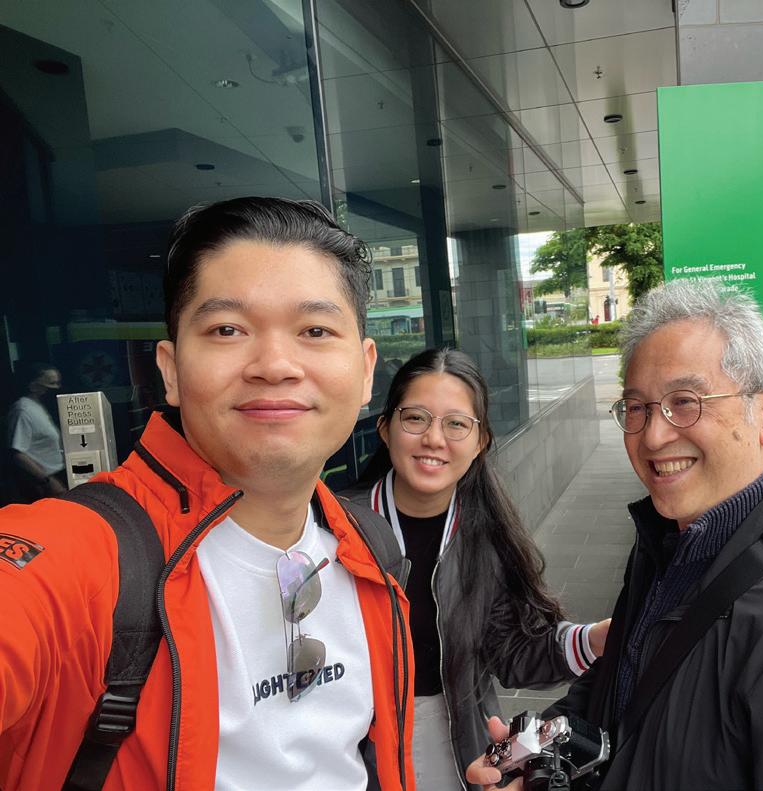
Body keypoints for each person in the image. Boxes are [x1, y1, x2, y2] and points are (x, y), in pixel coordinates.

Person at [0, 197, 414, 791]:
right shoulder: (85, 558)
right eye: (227, 330)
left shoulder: (370, 549)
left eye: (315, 331)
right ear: (170, 369)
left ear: (367, 369)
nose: (275, 365)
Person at [469, 278, 763, 790]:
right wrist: (543, 753)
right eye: (637, 407)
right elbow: (623, 684)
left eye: (685, 401)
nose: (653, 435)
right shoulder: (668, 545)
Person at [345, 347, 609, 791]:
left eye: (456, 424)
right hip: (355, 753)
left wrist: (595, 639)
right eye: (416, 418)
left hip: (460, 746)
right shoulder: (336, 529)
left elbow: (514, 651)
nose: (434, 439)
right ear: (385, 428)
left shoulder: (487, 536)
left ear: (480, 440)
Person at [6, 362, 67, 502]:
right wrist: (47, 481)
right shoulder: (23, 410)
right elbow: (18, 453)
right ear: (33, 385)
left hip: (57, 475)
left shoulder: (39, 406)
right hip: (43, 483)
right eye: (51, 383)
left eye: (58, 383)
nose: (56, 388)